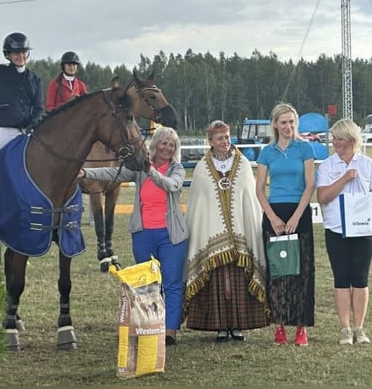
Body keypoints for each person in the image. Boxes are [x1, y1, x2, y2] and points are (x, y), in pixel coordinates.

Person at [78, 127, 187, 346]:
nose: (167, 147)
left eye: (172, 144)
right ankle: (150, 326)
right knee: (147, 285)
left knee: (172, 284)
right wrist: (87, 173)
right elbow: (113, 173)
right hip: (143, 234)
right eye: (164, 143)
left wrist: (151, 171)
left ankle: (170, 331)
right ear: (155, 144)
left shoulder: (178, 169)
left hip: (171, 236)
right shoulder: (138, 169)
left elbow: (170, 185)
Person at [183, 120, 269, 343]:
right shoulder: (203, 168)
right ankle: (220, 326)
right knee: (217, 281)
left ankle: (238, 325)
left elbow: (249, 198)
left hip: (241, 234)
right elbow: (199, 203)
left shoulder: (242, 164)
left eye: (227, 137)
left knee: (239, 279)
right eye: (220, 138)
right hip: (211, 237)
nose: (225, 142)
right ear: (210, 141)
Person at [0, 19, 44, 251]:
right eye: (15, 52)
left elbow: (40, 108)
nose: (20, 55)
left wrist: (29, 124)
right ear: (8, 55)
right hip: (1, 129)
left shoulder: (35, 79)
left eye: (23, 52)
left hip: (25, 131)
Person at [316, 119, 372, 345]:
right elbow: (323, 197)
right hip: (336, 229)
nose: (336, 143)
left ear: (352, 140)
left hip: (363, 230)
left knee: (360, 278)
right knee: (342, 278)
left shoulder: (368, 164)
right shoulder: (327, 166)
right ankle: (345, 328)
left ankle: (360, 328)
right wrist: (344, 178)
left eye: (340, 138)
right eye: (334, 138)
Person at [255, 102, 316, 346]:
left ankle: (301, 327)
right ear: (275, 125)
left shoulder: (305, 148)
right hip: (274, 213)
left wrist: (295, 218)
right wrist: (272, 217)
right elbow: (259, 188)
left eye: (292, 122)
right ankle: (279, 324)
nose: (288, 126)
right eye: (283, 122)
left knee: (301, 271)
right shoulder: (267, 152)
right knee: (279, 271)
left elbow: (310, 184)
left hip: (298, 213)